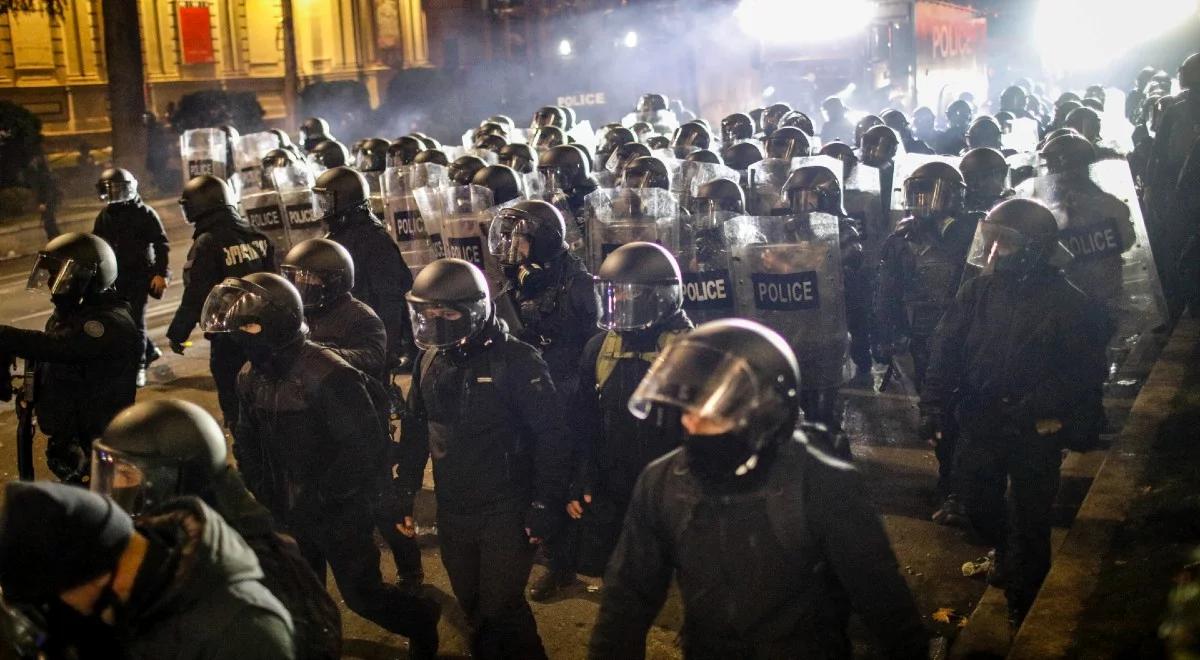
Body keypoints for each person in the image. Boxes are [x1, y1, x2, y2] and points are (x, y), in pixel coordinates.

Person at [587, 319, 929, 659]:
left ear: (762, 415)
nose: (691, 425)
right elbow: (626, 599)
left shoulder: (822, 485)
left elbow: (885, 605)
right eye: (689, 412)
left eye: (712, 416)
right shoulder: (663, 482)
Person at [204, 272, 441, 658]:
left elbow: (364, 447)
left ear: (275, 324)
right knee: (301, 595)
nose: (240, 336)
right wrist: (263, 494)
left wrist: (324, 495)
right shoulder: (250, 376)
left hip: (338, 511)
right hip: (286, 509)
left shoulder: (327, 373)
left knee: (362, 595)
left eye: (247, 325)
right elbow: (249, 443)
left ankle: (420, 618)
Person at [920, 198, 1108, 627]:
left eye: (1004, 243)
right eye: (990, 240)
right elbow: (945, 350)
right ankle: (1006, 552)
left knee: (1030, 520)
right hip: (981, 418)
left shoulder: (1069, 302)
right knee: (978, 504)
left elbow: (1083, 370)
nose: (993, 252)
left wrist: (1047, 407)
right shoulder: (978, 292)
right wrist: (932, 406)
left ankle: (1024, 609)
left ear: (1035, 248)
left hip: (1034, 429)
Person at [397, 258, 571, 660]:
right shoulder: (430, 359)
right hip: (454, 505)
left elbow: (552, 437)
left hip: (505, 508)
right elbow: (417, 427)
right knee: (473, 604)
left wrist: (544, 504)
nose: (437, 321)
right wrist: (404, 488)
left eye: (448, 312)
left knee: (502, 608)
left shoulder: (517, 362)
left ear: (474, 310)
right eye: (428, 312)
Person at [92, 399, 343, 660]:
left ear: (173, 479)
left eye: (126, 473)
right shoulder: (168, 539)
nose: (116, 485)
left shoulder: (259, 573)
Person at [0, 481, 296, 659]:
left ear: (96, 578)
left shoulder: (243, 634)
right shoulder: (132, 599)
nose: (55, 613)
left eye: (52, 600)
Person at [280, 237, 426, 592]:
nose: (301, 285)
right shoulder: (300, 314)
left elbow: (374, 358)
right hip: (318, 424)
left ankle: (410, 569)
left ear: (332, 280)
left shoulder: (359, 316)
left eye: (308, 278)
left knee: (383, 503)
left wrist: (320, 355)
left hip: (361, 422)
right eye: (294, 277)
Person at [560, 242, 692, 586]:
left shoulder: (690, 354)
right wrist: (583, 475)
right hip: (614, 477)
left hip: (671, 485)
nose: (617, 303)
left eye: (628, 296)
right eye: (611, 294)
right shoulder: (600, 347)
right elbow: (584, 418)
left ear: (658, 298)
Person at [874, 161, 976, 520]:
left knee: (967, 413)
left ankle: (964, 486)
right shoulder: (900, 240)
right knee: (938, 414)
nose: (923, 202)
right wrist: (887, 334)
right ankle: (950, 480)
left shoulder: (974, 233)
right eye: (916, 193)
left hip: (967, 337)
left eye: (930, 193)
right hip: (923, 339)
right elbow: (887, 293)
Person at [0, 233, 139, 483]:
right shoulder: (72, 314)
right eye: (52, 274)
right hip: (70, 437)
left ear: (90, 277)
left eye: (62, 274)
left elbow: (59, 347)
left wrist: (5, 337)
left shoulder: (108, 322)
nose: (54, 282)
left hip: (98, 444)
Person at [166, 175, 275, 428]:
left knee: (237, 406)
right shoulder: (258, 236)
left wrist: (178, 332)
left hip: (229, 339)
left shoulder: (208, 243)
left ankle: (247, 454)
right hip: (265, 334)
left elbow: (196, 293)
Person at [313, 166, 415, 370]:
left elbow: (390, 299)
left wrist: (385, 351)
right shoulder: (338, 237)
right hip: (347, 334)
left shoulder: (375, 240)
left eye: (326, 202)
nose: (322, 208)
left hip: (370, 338)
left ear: (344, 202)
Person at [91, 167, 170, 387]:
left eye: (118, 190)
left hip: (140, 277)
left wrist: (160, 274)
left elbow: (161, 244)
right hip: (115, 279)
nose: (114, 196)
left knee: (136, 323)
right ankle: (149, 348)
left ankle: (139, 366)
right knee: (120, 324)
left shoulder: (144, 213)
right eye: (110, 191)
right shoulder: (105, 216)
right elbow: (98, 246)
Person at [29, 151, 61, 239]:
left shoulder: (44, 175)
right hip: (46, 203)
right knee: (49, 224)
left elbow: (49, 191)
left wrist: (45, 203)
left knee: (49, 224)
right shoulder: (40, 174)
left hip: (47, 203)